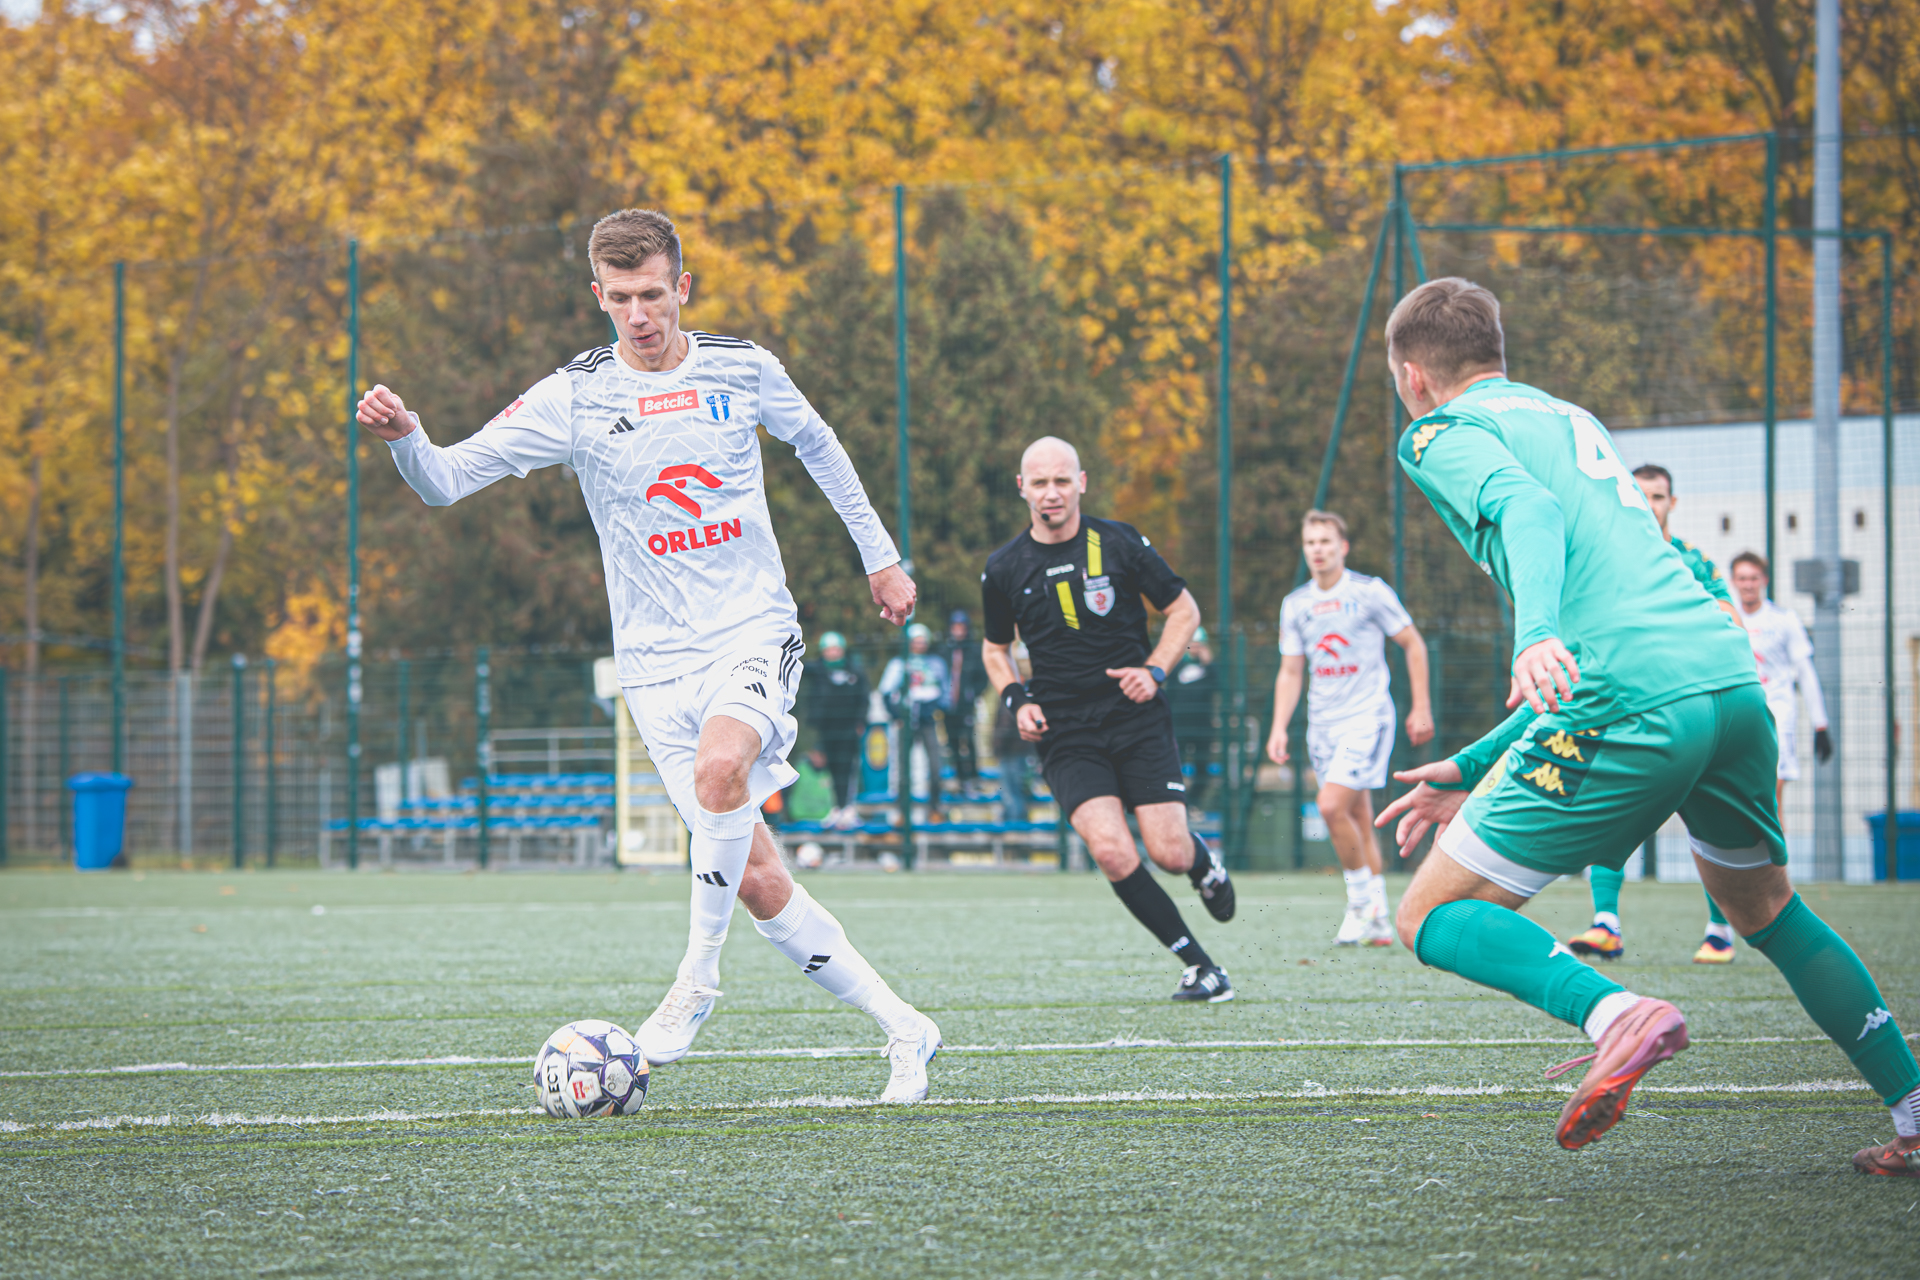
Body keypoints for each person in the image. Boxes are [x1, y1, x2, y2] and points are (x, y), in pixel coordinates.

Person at [354, 207, 942, 1103]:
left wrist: (881, 557)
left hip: (750, 631)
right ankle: (906, 1027)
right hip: (652, 667)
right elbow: (445, 481)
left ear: (683, 288)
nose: (640, 314)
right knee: (756, 877)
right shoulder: (575, 395)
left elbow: (818, 444)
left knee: (721, 770)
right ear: (599, 295)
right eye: (622, 297)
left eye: (654, 295)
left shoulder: (743, 368)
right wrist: (406, 438)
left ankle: (695, 981)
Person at [1374, 277, 1920, 1170]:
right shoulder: (1570, 417)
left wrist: (1535, 632)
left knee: (1427, 914)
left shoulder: (1438, 430)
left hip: (1629, 696)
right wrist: (1471, 767)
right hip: (1726, 679)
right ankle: (1915, 1110)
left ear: (1413, 376)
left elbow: (1531, 514)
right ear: (1497, 353)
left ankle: (1616, 1014)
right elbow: (1621, 613)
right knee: (1767, 908)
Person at [981, 436, 1236, 1003]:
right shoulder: (1003, 567)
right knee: (1113, 851)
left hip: (1136, 718)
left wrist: (1156, 670)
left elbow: (1184, 611)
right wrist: (1018, 700)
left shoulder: (1119, 542)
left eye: (1061, 480)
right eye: (1040, 482)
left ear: (1081, 483)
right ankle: (1201, 967)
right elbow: (995, 650)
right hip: (1066, 733)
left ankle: (1202, 864)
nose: (1051, 493)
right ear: (1022, 488)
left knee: (1170, 853)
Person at [1566, 464, 1749, 966]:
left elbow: (1729, 618)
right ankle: (1605, 924)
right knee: (1609, 813)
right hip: (1630, 705)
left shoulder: (1691, 560)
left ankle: (1719, 931)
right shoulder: (1606, 558)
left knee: (1710, 823)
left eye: (1659, 496)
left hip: (1691, 706)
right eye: (1641, 495)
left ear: (1673, 503)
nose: (1650, 505)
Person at [1267, 511, 1433, 947]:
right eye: (1310, 543)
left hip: (1367, 718)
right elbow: (1290, 670)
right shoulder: (1295, 604)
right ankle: (1378, 919)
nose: (1317, 550)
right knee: (1356, 815)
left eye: (1325, 541)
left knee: (1329, 806)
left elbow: (1413, 644)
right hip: (1322, 725)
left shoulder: (1369, 592)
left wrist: (1421, 706)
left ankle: (1359, 905)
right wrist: (1279, 726)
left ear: (1342, 547)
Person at [801, 631, 869, 826]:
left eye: (836, 649)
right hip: (825, 729)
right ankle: (835, 808)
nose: (832, 653)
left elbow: (864, 699)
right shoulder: (816, 670)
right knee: (829, 769)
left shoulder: (855, 671)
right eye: (828, 650)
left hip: (848, 729)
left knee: (848, 767)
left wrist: (860, 721)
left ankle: (848, 808)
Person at [880, 622, 953, 805]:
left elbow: (945, 693)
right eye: (915, 640)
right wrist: (897, 715)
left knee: (935, 764)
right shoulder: (898, 664)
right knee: (903, 766)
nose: (919, 644)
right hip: (906, 720)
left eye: (922, 641)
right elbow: (886, 692)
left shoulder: (936, 664)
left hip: (928, 720)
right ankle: (902, 807)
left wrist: (937, 710)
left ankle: (935, 806)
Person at [1163, 626, 1219, 810]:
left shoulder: (1210, 668)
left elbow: (1220, 685)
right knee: (1175, 764)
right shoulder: (1178, 666)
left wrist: (1209, 664)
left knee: (1202, 767)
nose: (1195, 647)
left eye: (1198, 644)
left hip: (1202, 725)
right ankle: (1177, 801)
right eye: (1192, 643)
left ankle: (1194, 803)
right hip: (1180, 725)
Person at [940, 610, 992, 794]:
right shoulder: (945, 650)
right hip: (948, 705)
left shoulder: (974, 650)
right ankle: (960, 778)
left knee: (968, 739)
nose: (958, 631)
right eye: (955, 627)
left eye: (961, 627)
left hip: (966, 705)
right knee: (952, 741)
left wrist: (972, 693)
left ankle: (974, 776)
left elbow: (982, 677)